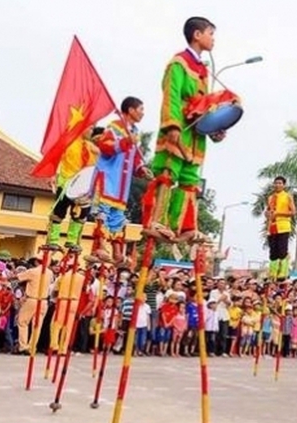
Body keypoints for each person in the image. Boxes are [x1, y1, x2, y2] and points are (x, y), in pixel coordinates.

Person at [144, 16, 226, 244]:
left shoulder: (203, 69)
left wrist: (215, 127)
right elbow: (171, 93)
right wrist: (172, 125)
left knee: (190, 180)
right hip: (179, 127)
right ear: (197, 35)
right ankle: (158, 221)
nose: (213, 39)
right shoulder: (178, 62)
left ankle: (186, 226)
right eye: (211, 33)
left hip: (195, 134)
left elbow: (204, 104)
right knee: (169, 173)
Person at [90, 97, 150, 265]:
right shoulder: (115, 126)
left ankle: (117, 251)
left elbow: (135, 156)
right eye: (141, 109)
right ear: (131, 110)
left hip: (122, 184)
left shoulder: (134, 131)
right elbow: (106, 147)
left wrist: (140, 168)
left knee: (118, 216)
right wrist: (124, 142)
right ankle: (100, 245)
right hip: (108, 177)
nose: (142, 113)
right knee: (103, 213)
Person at [45, 127, 100, 251]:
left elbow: (102, 156)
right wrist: (52, 175)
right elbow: (55, 158)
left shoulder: (90, 146)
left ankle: (72, 241)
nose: (91, 131)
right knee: (59, 213)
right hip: (66, 183)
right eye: (90, 128)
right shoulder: (68, 142)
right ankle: (53, 240)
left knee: (81, 215)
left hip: (83, 187)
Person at [265, 176, 297, 282]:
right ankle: (272, 273)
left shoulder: (288, 196)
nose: (277, 185)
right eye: (276, 183)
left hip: (283, 226)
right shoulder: (270, 198)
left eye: (280, 183)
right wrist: (267, 214)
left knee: (282, 250)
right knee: (273, 251)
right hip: (272, 226)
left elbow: (293, 212)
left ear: (284, 185)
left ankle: (282, 273)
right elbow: (268, 212)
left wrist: (278, 213)